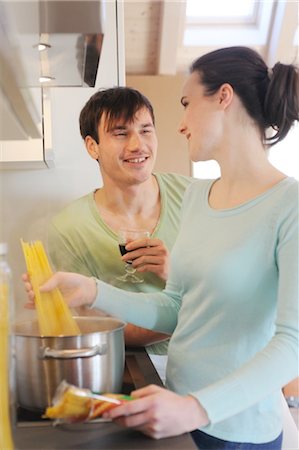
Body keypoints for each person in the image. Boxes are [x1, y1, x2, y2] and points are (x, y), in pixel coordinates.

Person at [24, 47, 298, 449]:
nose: (181, 125)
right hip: (177, 410)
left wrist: (196, 407)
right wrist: (92, 290)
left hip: (235, 428)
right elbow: (174, 307)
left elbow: (292, 344)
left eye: (187, 104)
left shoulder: (289, 205)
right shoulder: (197, 197)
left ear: (223, 97)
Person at [47, 87, 194, 378]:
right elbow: (89, 324)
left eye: (146, 130)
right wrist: (190, 317)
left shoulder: (195, 197)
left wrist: (176, 275)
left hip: (207, 359)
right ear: (93, 147)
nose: (138, 145)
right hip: (126, 370)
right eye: (120, 133)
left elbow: (231, 293)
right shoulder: (69, 228)